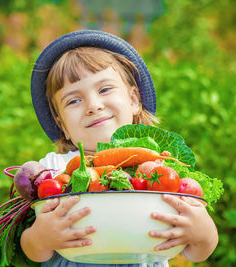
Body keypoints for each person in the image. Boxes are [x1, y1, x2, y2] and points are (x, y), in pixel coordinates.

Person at [21, 30, 218, 266]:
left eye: (104, 89)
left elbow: (196, 252)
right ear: (61, 124)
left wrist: (202, 232)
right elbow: (33, 250)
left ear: (134, 100)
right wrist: (40, 239)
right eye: (74, 100)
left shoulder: (161, 166)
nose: (93, 106)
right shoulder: (51, 171)